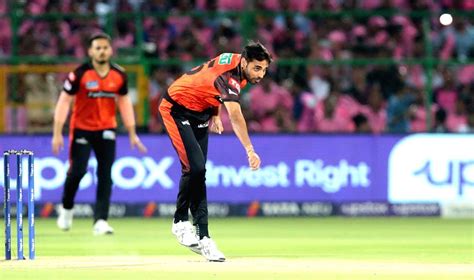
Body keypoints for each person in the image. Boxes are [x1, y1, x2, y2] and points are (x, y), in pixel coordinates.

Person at [159, 42, 272, 262]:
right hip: (176, 108)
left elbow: (209, 80)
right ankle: (182, 223)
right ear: (245, 62)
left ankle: (201, 235)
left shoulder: (235, 60)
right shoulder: (230, 77)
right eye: (257, 68)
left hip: (201, 112)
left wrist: (214, 112)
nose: (261, 74)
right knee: (195, 168)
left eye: (265, 70)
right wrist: (250, 150)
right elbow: (237, 116)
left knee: (198, 172)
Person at [52, 33, 147, 235]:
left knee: (106, 175)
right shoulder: (79, 74)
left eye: (105, 47)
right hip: (81, 129)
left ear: (110, 50)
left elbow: (124, 103)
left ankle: (101, 220)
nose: (102, 51)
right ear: (90, 51)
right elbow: (64, 102)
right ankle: (67, 209)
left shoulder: (119, 75)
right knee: (77, 171)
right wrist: (57, 133)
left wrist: (132, 133)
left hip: (106, 129)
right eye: (98, 48)